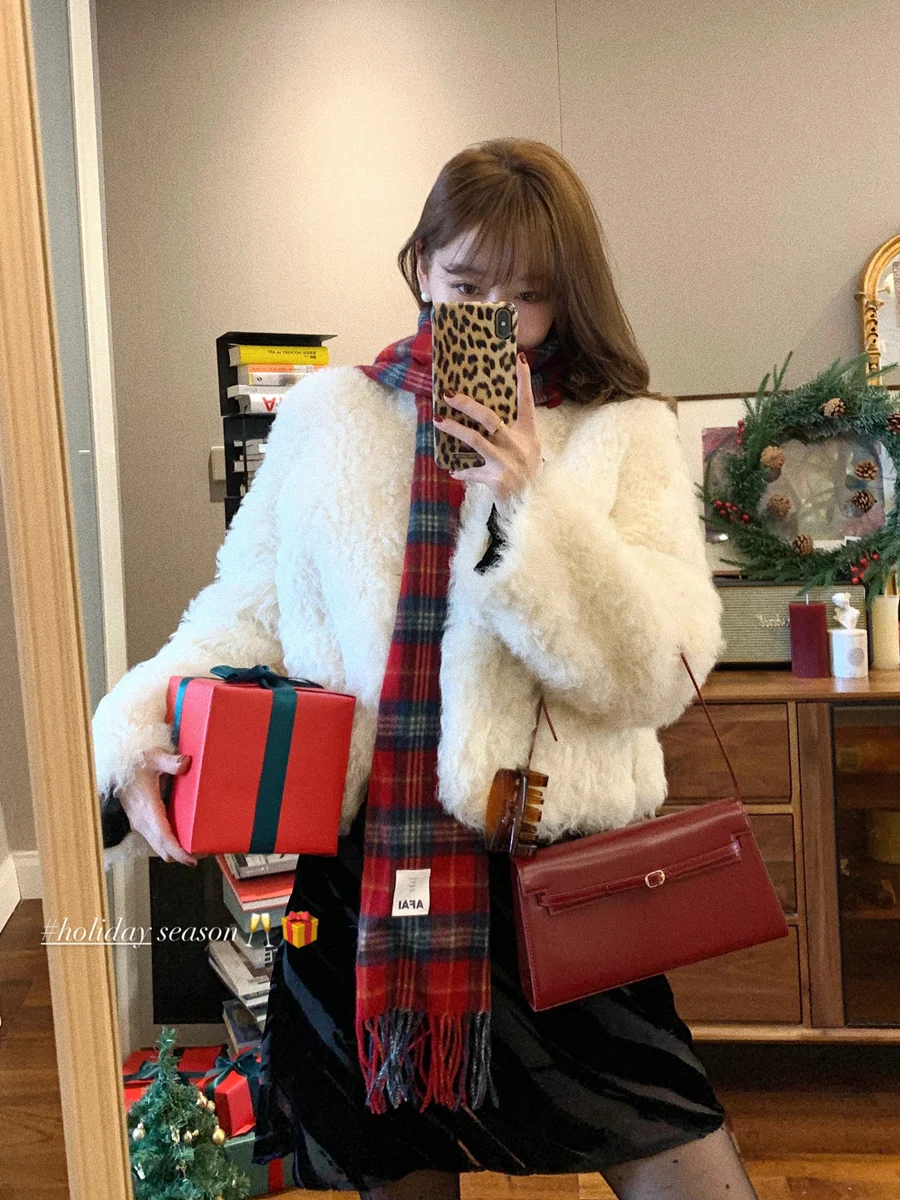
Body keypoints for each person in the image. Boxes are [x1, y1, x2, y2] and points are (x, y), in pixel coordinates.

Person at [95, 138, 759, 1200]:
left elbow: (658, 674)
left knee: (680, 1158)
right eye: (467, 283)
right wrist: (140, 728)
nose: (496, 316)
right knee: (392, 1165)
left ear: (566, 297)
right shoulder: (330, 418)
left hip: (552, 874)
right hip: (367, 880)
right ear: (420, 268)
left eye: (528, 294)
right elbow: (243, 614)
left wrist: (533, 499)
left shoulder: (624, 431)